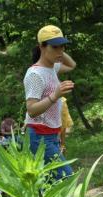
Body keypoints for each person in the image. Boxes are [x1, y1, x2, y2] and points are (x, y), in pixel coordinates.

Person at [23, 25, 76, 180]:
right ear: (42, 47)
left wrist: (59, 52)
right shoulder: (35, 74)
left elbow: (72, 65)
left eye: (63, 47)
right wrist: (55, 95)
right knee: (67, 178)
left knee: (49, 182)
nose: (60, 51)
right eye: (55, 47)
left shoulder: (52, 67)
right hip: (39, 136)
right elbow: (31, 110)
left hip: (52, 135)